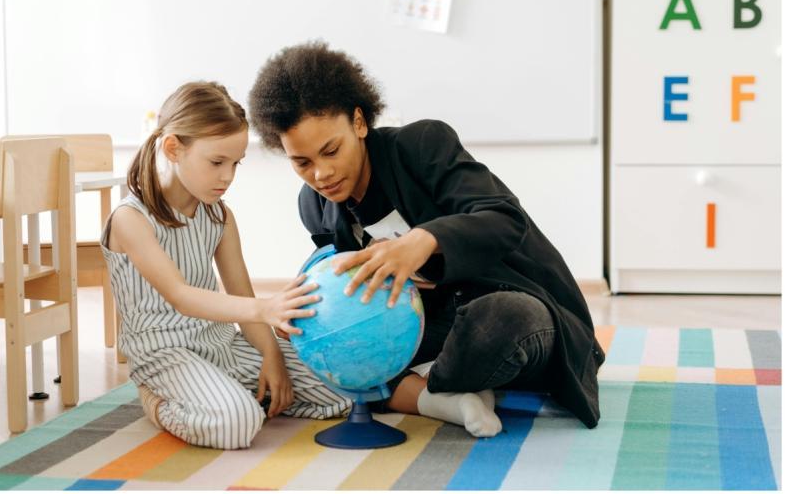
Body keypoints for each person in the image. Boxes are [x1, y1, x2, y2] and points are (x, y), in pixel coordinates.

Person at [247, 41, 605, 436]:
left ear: (360, 123)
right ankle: (447, 387)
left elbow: (504, 218)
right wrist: (302, 313)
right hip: (431, 324)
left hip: (507, 308)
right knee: (308, 353)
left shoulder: (421, 147)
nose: (321, 174)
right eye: (302, 162)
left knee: (501, 321)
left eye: (331, 150)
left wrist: (423, 241)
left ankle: (417, 385)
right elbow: (342, 286)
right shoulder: (314, 206)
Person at [101, 81, 351, 450]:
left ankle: (224, 391)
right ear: (173, 148)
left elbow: (240, 296)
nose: (227, 176)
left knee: (341, 391)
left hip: (221, 344)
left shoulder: (219, 216)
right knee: (238, 425)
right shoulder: (130, 218)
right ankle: (158, 402)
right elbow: (182, 297)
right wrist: (266, 309)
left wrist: (271, 357)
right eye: (217, 162)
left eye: (235, 163)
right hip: (165, 355)